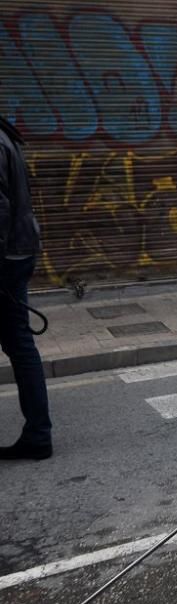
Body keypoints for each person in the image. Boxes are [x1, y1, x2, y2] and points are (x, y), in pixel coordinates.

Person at [0, 116, 52, 461]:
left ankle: (38, 433)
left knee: (19, 344)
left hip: (7, 255)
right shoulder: (6, 135)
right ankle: (37, 432)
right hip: (17, 251)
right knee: (20, 344)